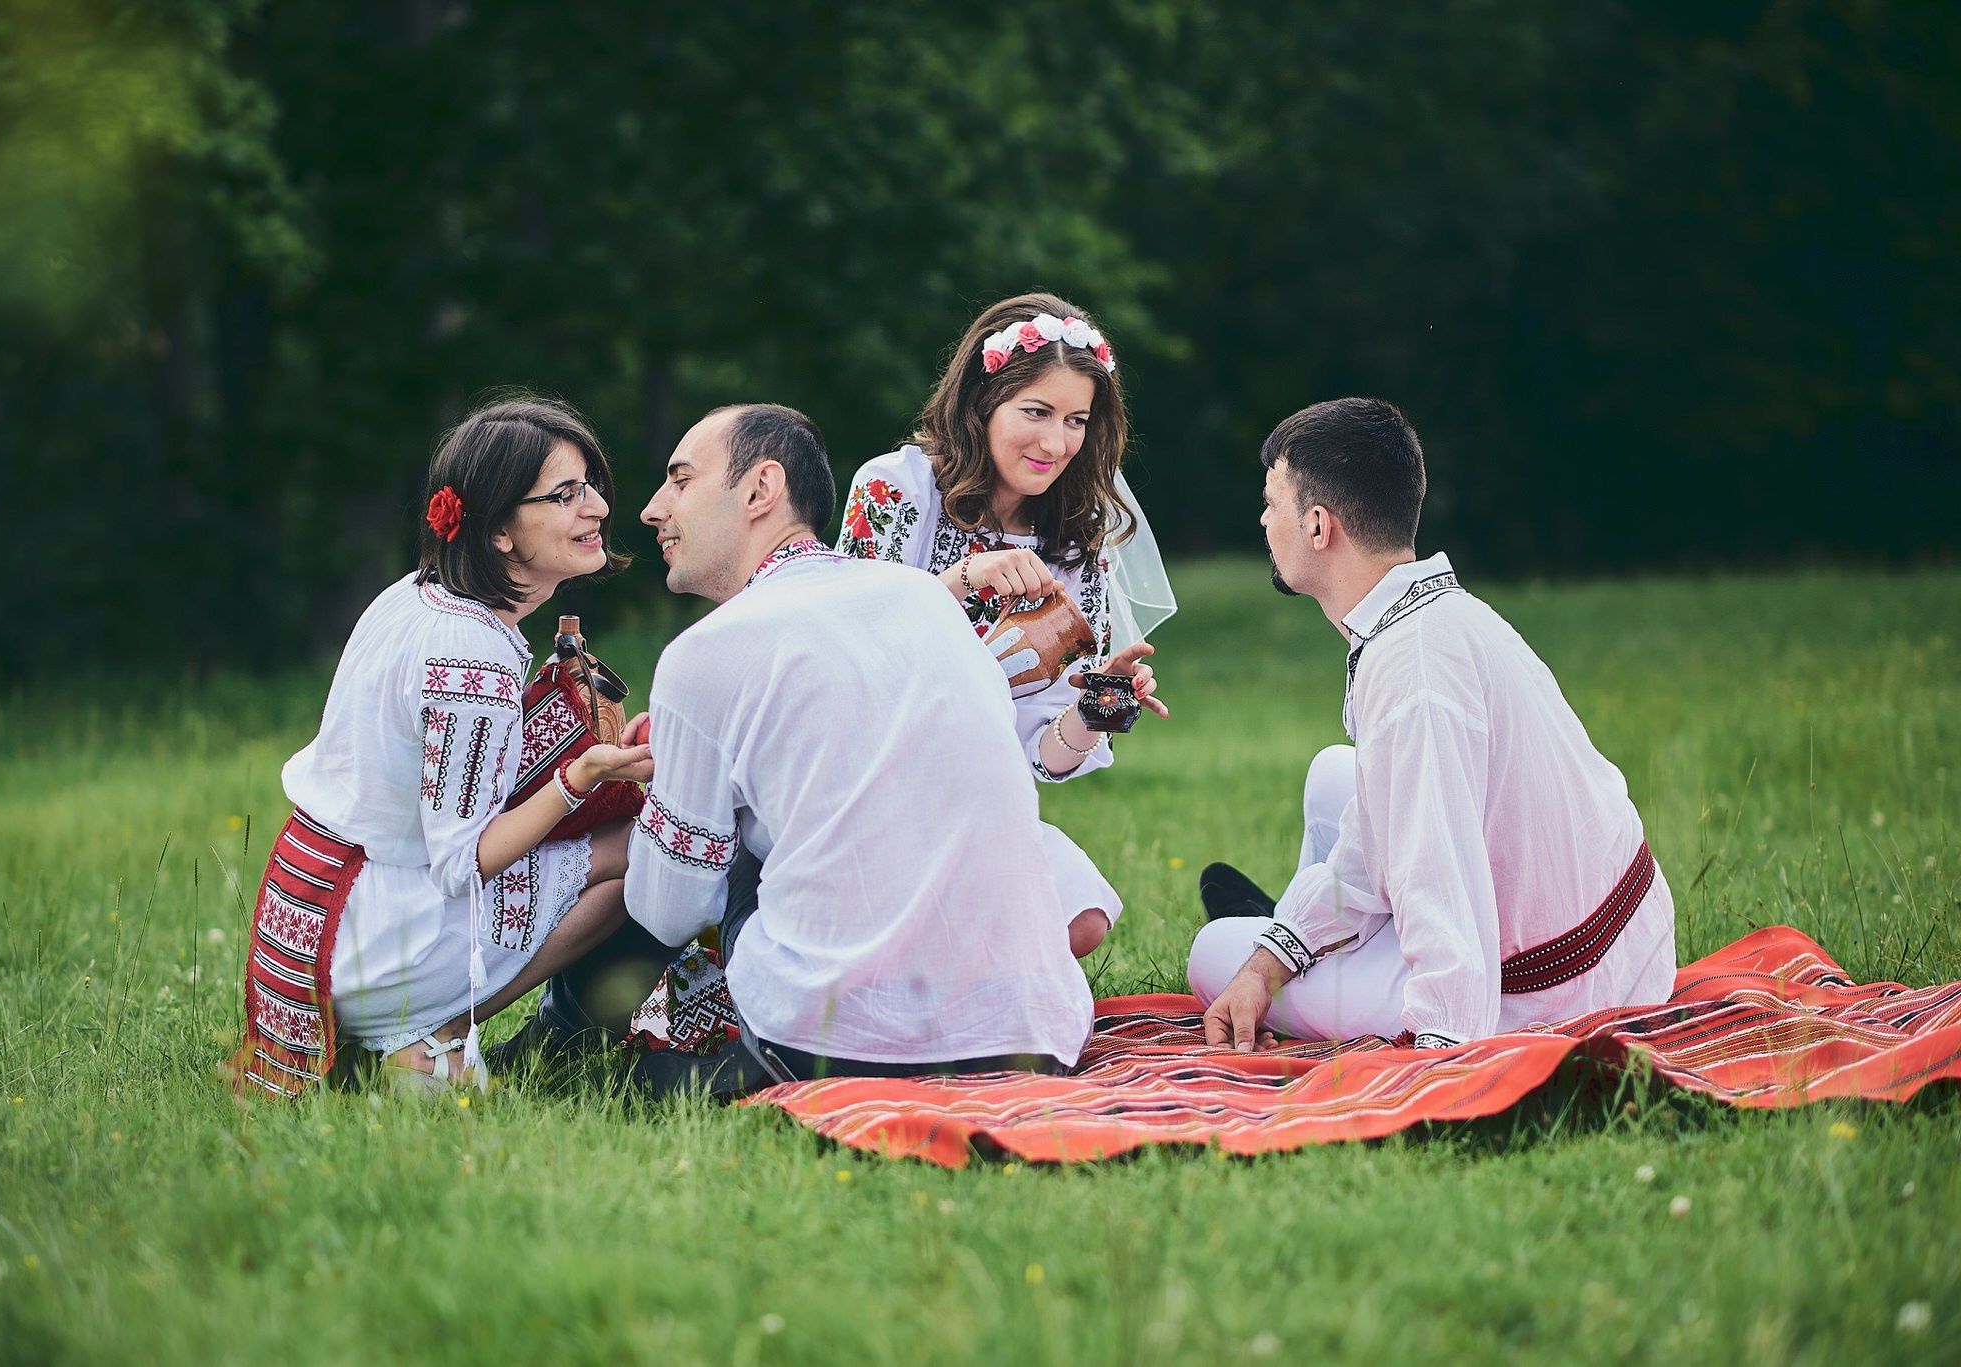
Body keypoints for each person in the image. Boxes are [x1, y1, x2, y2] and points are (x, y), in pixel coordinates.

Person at [626, 402, 1094, 1084]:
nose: (652, 507)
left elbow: (666, 912)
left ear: (761, 489)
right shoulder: (928, 600)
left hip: (827, 1044)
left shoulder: (703, 654)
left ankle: (619, 1034)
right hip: (1032, 1030)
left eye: (680, 479)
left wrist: (654, 799)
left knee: (709, 870)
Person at [1190, 398, 1675, 1051]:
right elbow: (1379, 831)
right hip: (1623, 935)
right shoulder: (1434, 615)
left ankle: (1314, 943)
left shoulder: (1412, 671)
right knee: (1334, 774)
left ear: (1316, 526)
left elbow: (1437, 871)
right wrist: (1275, 957)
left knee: (1212, 954)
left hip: (1560, 991)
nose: (1262, 519)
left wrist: (1445, 1043)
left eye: (1271, 501)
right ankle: (1309, 935)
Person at [230, 396, 654, 1097]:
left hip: (312, 909)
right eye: (565, 494)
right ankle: (430, 1028)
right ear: (499, 534)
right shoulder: (473, 656)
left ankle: (416, 1038)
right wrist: (579, 775)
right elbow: (462, 860)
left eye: (592, 487)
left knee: (617, 837)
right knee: (637, 849)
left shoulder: (416, 594)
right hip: (372, 929)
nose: (599, 509)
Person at [836, 293, 1172, 958]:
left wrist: (1099, 708)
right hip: (861, 792)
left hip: (975, 808)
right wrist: (963, 579)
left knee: (1083, 916)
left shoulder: (1075, 549)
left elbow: (1039, 759)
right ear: (983, 400)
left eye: (1076, 419)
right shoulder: (897, 489)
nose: (1057, 442)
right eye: (1037, 411)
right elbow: (842, 647)